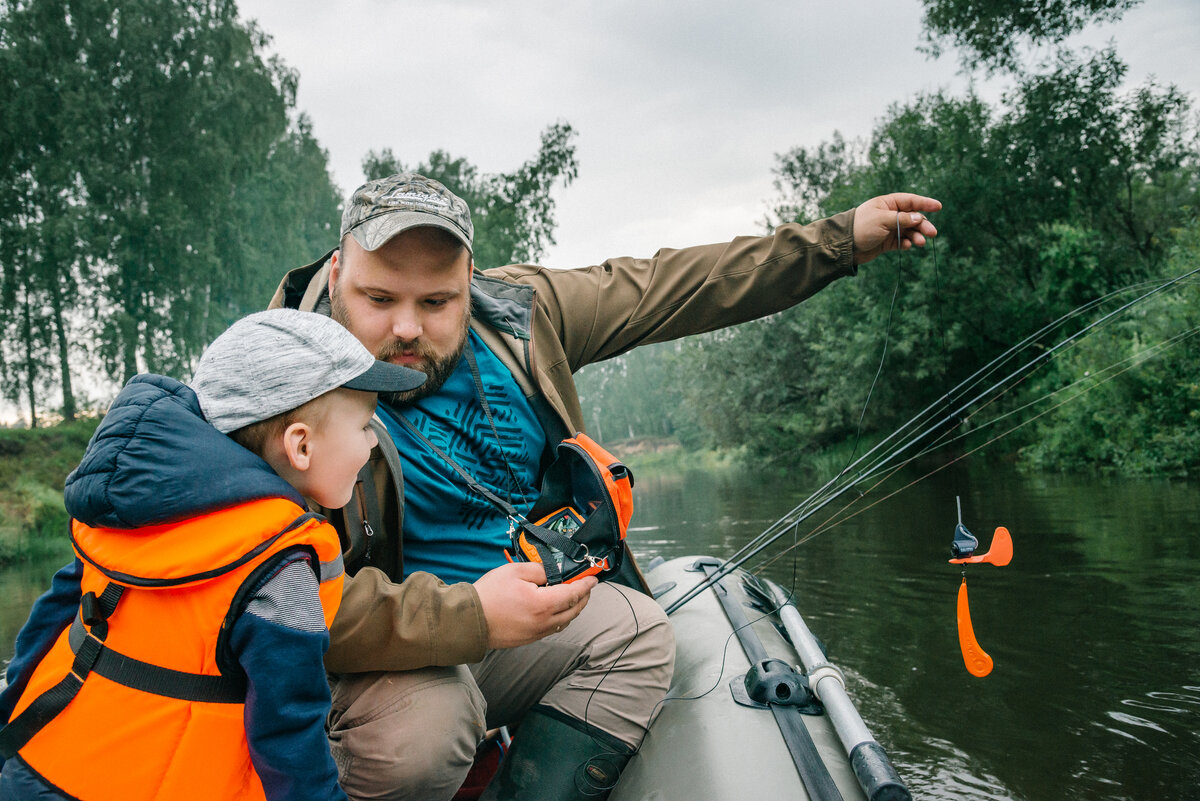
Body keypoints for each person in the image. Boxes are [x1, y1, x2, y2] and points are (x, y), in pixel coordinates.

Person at [270, 173, 941, 801]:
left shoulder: (521, 317)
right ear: (337, 274)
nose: (407, 328)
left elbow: (674, 287)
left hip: (504, 635)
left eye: (437, 301)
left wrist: (836, 242)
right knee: (428, 730)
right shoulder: (278, 387)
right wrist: (469, 615)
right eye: (379, 299)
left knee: (639, 632)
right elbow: (293, 605)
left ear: (470, 281)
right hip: (378, 665)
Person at [0, 310, 427, 801]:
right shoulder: (280, 568)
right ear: (301, 446)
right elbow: (290, 732)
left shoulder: (131, 512)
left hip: (34, 769)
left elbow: (47, 626)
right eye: (365, 427)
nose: (373, 444)